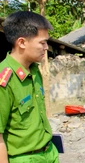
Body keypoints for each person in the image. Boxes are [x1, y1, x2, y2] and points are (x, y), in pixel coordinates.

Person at [0, 11, 59, 163]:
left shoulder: (34, 70)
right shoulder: (5, 79)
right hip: (24, 158)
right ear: (22, 42)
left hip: (49, 152)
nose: (46, 47)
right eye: (42, 42)